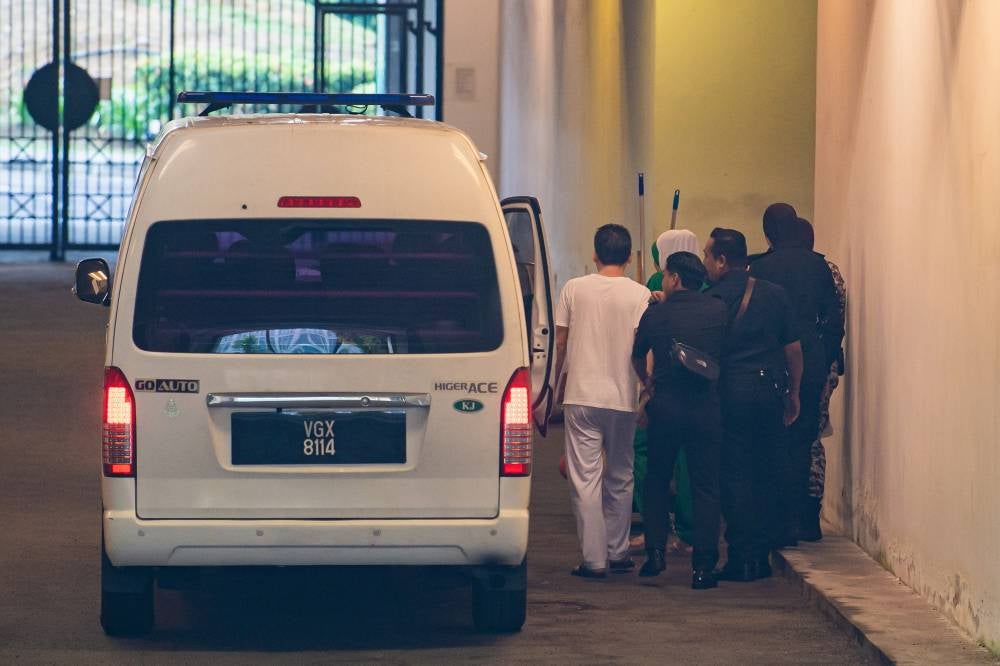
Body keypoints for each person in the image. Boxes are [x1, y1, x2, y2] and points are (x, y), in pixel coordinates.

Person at [553, 224, 652, 578]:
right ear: (628, 257)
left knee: (585, 477)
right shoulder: (640, 295)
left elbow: (560, 343)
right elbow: (645, 348)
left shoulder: (573, 289)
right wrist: (647, 387)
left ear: (594, 255)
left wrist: (551, 386)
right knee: (621, 474)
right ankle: (619, 551)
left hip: (581, 395)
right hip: (623, 395)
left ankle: (594, 560)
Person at [704, 228, 803, 581]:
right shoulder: (775, 295)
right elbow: (793, 349)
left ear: (721, 260)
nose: (705, 263)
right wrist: (794, 393)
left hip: (730, 393)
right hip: (769, 391)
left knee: (734, 474)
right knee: (766, 471)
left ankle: (740, 555)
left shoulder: (712, 298)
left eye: (707, 256)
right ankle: (760, 555)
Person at [632, 251, 728, 589]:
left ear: (673, 278)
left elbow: (636, 355)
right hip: (705, 406)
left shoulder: (656, 315)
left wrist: (648, 383)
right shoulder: (718, 310)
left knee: (657, 479)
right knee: (705, 485)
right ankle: (703, 566)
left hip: (666, 406)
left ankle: (655, 554)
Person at [750, 205, 843, 545]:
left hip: (770, 362)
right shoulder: (821, 268)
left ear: (769, 233)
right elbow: (835, 320)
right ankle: (800, 519)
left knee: (771, 439)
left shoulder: (758, 267)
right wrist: (827, 356)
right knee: (804, 441)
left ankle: (774, 520)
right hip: (813, 361)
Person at [632, 230, 701, 549]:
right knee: (691, 461)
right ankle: (690, 532)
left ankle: (656, 531)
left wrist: (646, 387)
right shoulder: (708, 292)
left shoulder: (655, 290)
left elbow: (643, 347)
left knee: (648, 456)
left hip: (662, 390)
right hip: (700, 395)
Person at [795, 218, 847, 541]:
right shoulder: (831, 273)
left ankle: (796, 508)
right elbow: (837, 316)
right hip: (825, 363)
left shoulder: (790, 271)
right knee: (814, 438)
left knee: (797, 436)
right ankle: (810, 512)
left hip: (800, 361)